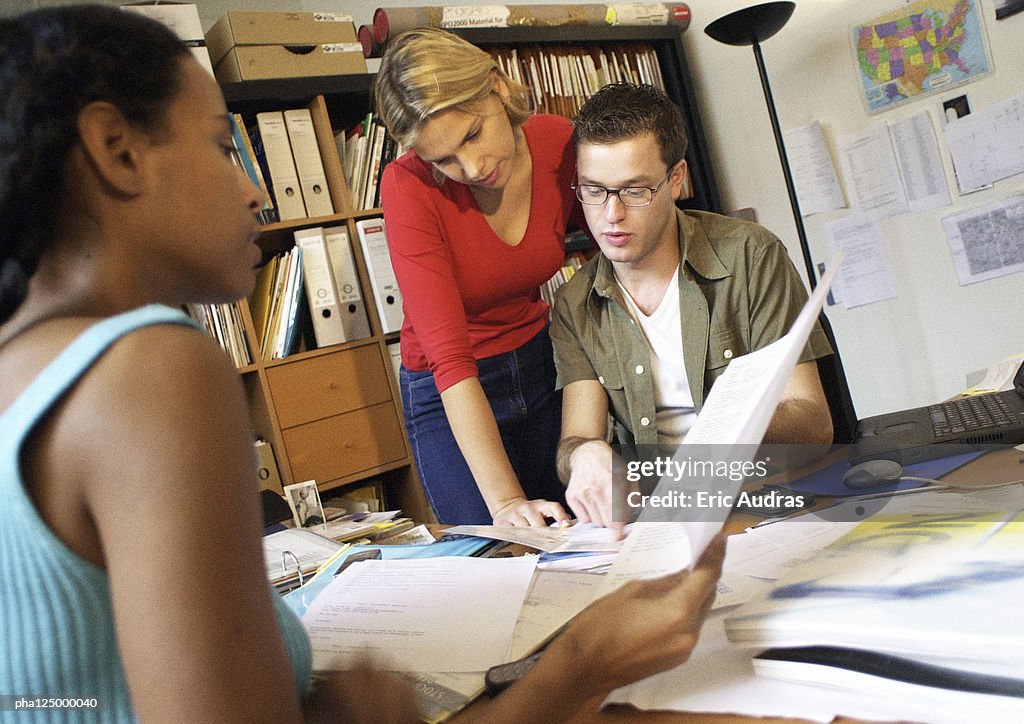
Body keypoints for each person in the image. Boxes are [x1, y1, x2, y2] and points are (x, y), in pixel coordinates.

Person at [0, 7, 726, 721]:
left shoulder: (26, 368)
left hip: (536, 357)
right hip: (456, 382)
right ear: (115, 149)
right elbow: (448, 359)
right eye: (225, 147)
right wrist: (585, 664)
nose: (255, 190)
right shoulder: (151, 367)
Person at [551, 83, 835, 528]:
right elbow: (577, 438)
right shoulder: (574, 302)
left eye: (635, 190)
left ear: (677, 178)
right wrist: (586, 455)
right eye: (594, 190)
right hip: (660, 522)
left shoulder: (750, 255)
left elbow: (814, 424)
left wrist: (736, 427)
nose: (611, 215)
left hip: (762, 503)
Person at [373, 28, 578, 526]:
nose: (471, 167)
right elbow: (450, 357)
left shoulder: (560, 144)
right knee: (498, 559)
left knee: (582, 543)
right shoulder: (408, 186)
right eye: (443, 159)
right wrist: (507, 503)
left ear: (498, 87)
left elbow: (619, 241)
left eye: (471, 135)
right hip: (452, 394)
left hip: (542, 364)